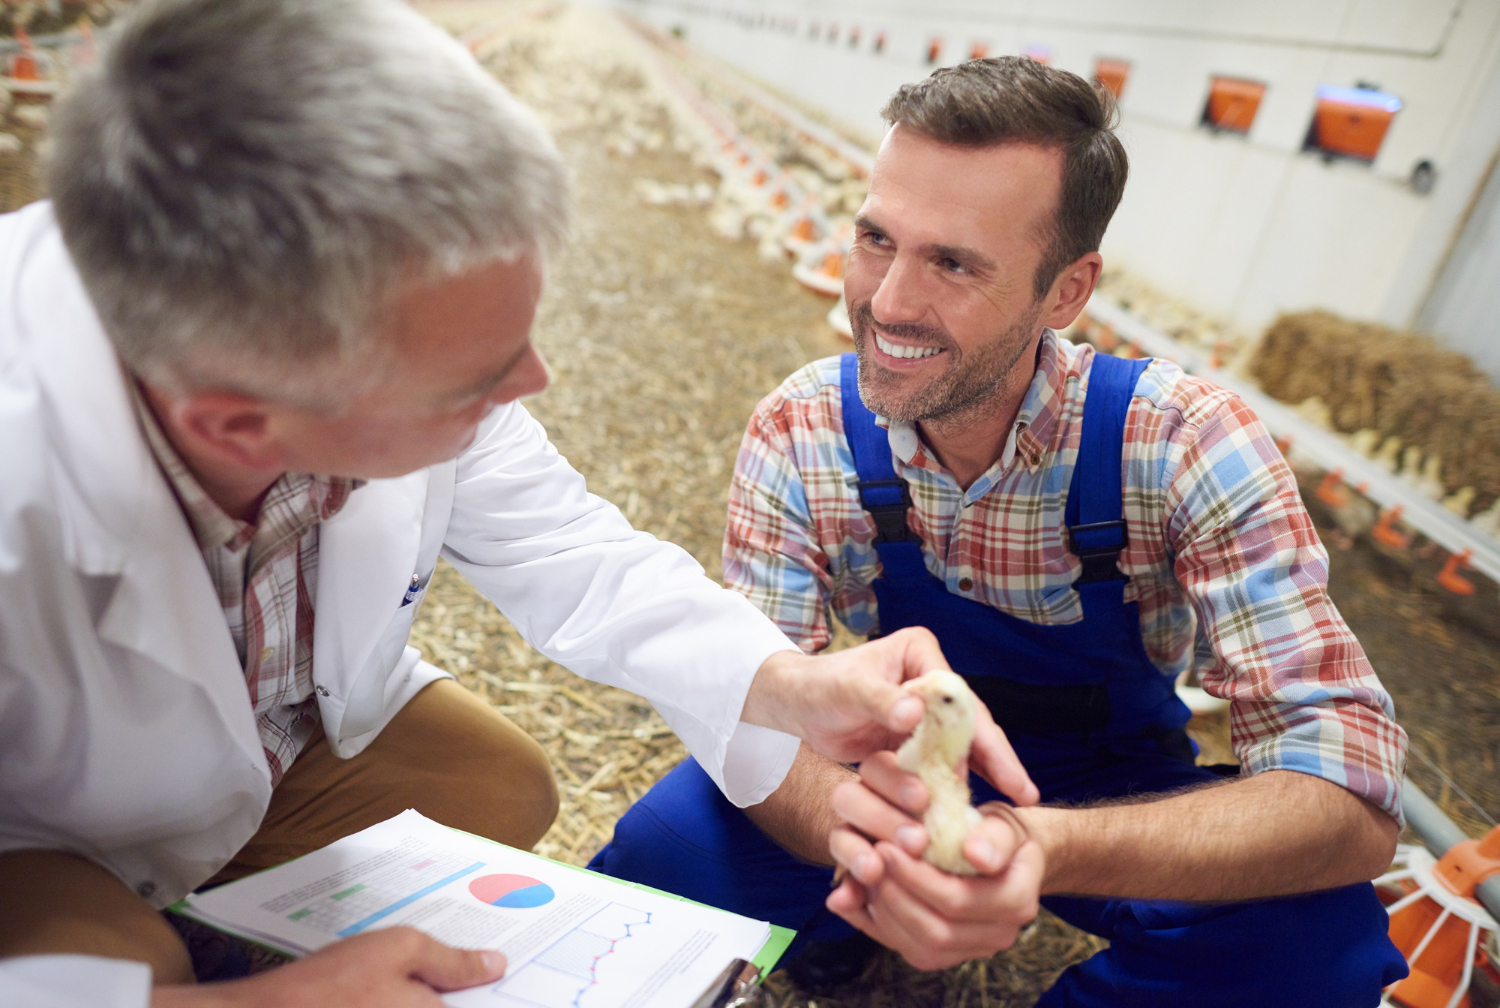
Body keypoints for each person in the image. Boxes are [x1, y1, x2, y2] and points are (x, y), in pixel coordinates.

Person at [0, 2, 1020, 1005]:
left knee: (497, 787)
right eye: (471, 380)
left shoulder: (324, 332)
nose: (529, 381)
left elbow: (573, 551)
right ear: (236, 425)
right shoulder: (21, 488)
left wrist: (791, 684)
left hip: (256, 731)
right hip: (40, 822)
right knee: (134, 975)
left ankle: (216, 903)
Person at [590, 57, 1412, 1005]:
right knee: (661, 861)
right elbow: (752, 699)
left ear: (1066, 291)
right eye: (875, 238)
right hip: (885, 760)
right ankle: (841, 923)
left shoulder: (1184, 442)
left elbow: (1347, 798)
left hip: (1109, 780)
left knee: (1318, 948)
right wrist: (880, 838)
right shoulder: (803, 428)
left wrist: (1031, 843)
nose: (888, 302)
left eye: (954, 262)